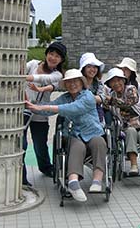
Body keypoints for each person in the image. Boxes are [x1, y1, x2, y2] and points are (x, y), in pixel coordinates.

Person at [25, 69, 107, 202]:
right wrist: (33, 106)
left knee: (99, 142)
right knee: (77, 146)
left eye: (75, 81)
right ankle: (73, 183)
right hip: (74, 134)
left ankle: (97, 180)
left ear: (82, 83)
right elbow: (49, 107)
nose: (72, 84)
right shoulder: (65, 98)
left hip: (93, 132)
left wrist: (44, 108)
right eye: (69, 82)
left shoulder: (88, 96)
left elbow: (73, 108)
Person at [23, 41, 66, 185]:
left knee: (40, 144)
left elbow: (43, 79)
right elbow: (20, 69)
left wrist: (26, 78)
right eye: (51, 53)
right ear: (46, 53)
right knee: (20, 144)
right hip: (22, 109)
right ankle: (21, 176)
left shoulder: (57, 75)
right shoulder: (33, 64)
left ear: (61, 60)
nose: (53, 58)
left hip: (40, 112)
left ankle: (46, 167)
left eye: (57, 56)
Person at [103, 67, 140, 175]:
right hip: (127, 126)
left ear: (124, 80)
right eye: (113, 81)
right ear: (110, 84)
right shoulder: (112, 95)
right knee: (131, 132)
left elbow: (129, 103)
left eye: (119, 80)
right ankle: (133, 165)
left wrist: (111, 101)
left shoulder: (131, 89)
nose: (116, 83)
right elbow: (105, 106)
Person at [79, 52, 106, 122]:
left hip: (95, 111)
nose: (92, 69)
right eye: (89, 67)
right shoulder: (77, 82)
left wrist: (84, 98)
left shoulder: (99, 83)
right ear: (83, 69)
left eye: (94, 67)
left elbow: (101, 97)